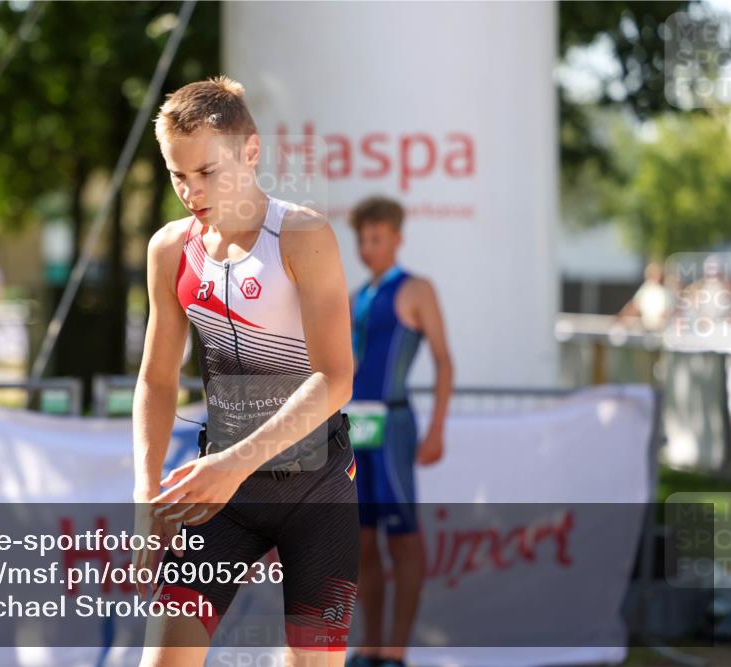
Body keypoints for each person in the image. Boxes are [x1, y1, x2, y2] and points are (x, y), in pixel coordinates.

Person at [131, 75, 359, 667]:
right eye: (177, 174)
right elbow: (156, 379)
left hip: (317, 486)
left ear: (250, 151)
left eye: (206, 172)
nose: (190, 190)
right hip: (220, 493)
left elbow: (336, 378)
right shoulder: (170, 249)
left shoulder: (303, 235)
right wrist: (146, 495)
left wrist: (234, 462)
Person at [345, 196, 453, 667]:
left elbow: (444, 361)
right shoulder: (355, 297)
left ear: (397, 238)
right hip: (354, 424)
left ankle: (396, 651)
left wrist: (437, 429)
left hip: (394, 424)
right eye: (362, 239)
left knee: (403, 536)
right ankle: (369, 647)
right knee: (362, 539)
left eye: (377, 238)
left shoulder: (417, 289)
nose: (368, 248)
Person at [616, 261, 674, 332]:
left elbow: (668, 312)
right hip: (648, 329)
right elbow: (634, 306)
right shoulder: (646, 289)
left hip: (661, 330)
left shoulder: (665, 292)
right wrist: (621, 320)